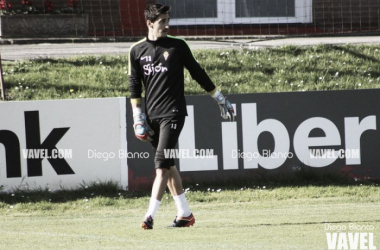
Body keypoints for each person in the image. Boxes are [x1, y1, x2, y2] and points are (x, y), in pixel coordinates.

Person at [128, 3, 235, 230]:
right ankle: (185, 214)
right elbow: (134, 86)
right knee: (169, 165)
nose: (168, 25)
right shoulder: (136, 51)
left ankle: (149, 216)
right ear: (149, 23)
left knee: (161, 166)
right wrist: (138, 118)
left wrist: (220, 98)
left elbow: (198, 73)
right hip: (152, 116)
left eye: (168, 20)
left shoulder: (178, 46)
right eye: (162, 22)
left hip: (174, 114)